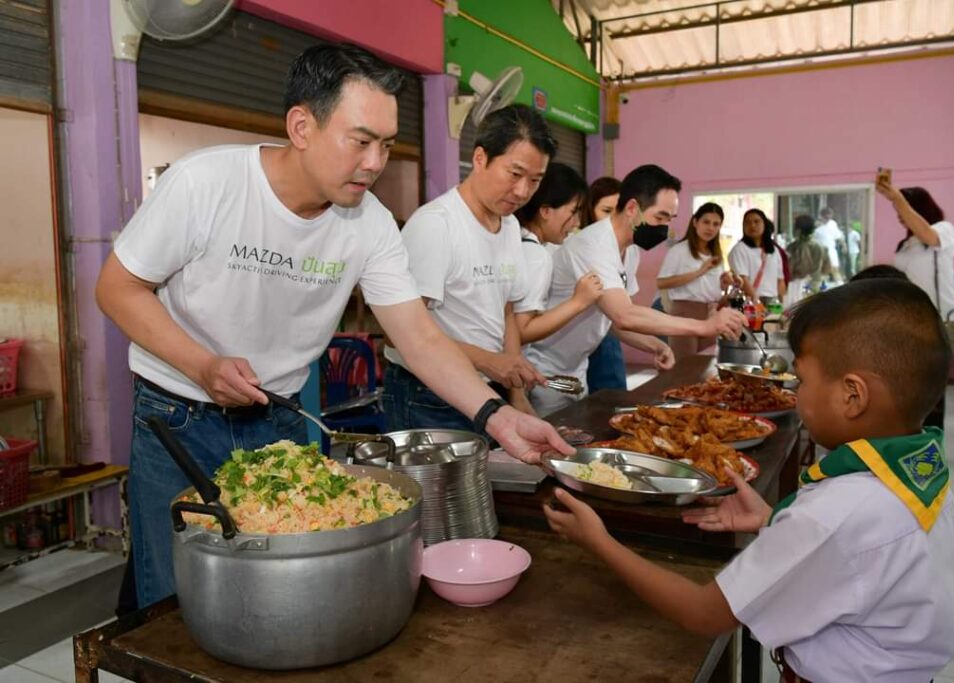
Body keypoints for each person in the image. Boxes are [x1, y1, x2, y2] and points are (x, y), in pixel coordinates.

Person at [96, 44, 570, 609]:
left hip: (278, 419)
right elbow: (117, 287)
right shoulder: (207, 182)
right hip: (179, 417)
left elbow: (418, 336)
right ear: (302, 126)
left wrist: (497, 415)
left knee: (273, 592)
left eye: (386, 144)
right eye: (361, 141)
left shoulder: (371, 224)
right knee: (173, 599)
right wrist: (202, 365)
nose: (375, 162)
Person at [545, 278, 954, 682]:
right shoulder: (921, 477)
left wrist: (599, 541)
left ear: (852, 395)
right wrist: (775, 520)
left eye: (802, 380)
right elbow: (866, 558)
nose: (794, 392)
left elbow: (705, 614)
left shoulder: (832, 517)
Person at [382, 103, 553, 428]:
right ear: (480, 158)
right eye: (515, 174)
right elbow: (397, 336)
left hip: (486, 389)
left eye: (535, 180)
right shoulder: (436, 225)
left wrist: (516, 393)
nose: (522, 191)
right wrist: (489, 361)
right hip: (429, 393)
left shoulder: (510, 226)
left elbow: (506, 311)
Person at [525, 165, 745, 416]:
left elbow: (614, 321)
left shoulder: (630, 251)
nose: (664, 227)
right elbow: (624, 315)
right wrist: (705, 327)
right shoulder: (593, 245)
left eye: (669, 220)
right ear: (632, 208)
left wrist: (655, 345)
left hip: (576, 370)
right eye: (659, 218)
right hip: (544, 370)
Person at [513, 163, 603, 344]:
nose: (577, 223)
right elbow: (520, 332)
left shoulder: (515, 238)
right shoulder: (536, 256)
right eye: (574, 212)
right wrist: (578, 302)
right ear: (546, 211)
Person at [655, 202, 735, 358]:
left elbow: (711, 288)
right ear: (695, 222)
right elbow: (661, 283)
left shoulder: (716, 253)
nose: (710, 228)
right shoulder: (679, 250)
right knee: (684, 363)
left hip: (711, 312)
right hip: (685, 311)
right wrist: (699, 272)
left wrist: (724, 284)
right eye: (706, 222)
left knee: (706, 362)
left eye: (716, 224)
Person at [877, 181, 954, 323]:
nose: (899, 214)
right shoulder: (906, 245)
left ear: (920, 208)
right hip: (914, 316)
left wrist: (898, 199)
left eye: (903, 208)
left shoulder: (945, 229)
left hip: (943, 315)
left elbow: (928, 236)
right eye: (897, 210)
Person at [583, 176, 629, 393]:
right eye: (606, 211)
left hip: (608, 332)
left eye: (617, 211)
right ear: (590, 210)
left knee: (613, 396)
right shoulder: (581, 246)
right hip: (577, 337)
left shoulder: (631, 250)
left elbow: (626, 309)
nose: (612, 219)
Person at [728, 208, 787, 303]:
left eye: (756, 221)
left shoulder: (773, 250)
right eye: (747, 223)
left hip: (773, 301)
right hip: (750, 301)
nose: (752, 225)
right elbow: (743, 280)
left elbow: (780, 280)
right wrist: (757, 303)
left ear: (764, 224)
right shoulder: (739, 249)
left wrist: (780, 303)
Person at [783, 214, 830, 308]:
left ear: (798, 230)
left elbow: (789, 270)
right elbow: (827, 269)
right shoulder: (821, 246)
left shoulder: (793, 247)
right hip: (816, 286)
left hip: (797, 289)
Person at [812, 206, 843, 274]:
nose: (828, 218)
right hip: (820, 250)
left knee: (835, 269)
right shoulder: (816, 225)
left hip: (831, 249)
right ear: (822, 216)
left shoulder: (833, 223)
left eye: (830, 216)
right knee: (819, 271)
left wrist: (843, 245)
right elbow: (812, 237)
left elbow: (838, 235)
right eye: (826, 216)